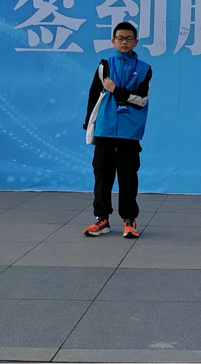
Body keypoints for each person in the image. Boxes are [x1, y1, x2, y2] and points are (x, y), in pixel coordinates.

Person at [82, 22, 153, 239]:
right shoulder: (105, 65)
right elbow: (94, 96)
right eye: (120, 38)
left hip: (129, 132)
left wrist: (116, 91)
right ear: (113, 41)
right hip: (105, 129)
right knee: (102, 175)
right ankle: (101, 219)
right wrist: (89, 124)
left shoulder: (144, 69)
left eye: (129, 38)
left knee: (127, 176)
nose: (124, 42)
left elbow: (141, 100)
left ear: (136, 42)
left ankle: (129, 220)